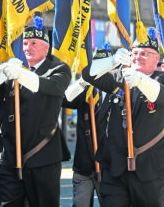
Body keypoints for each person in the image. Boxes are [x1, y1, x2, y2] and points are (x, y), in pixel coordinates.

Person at [0, 16, 71, 207]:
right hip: (10, 156)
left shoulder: (58, 69)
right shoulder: (14, 70)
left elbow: (51, 87)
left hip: (42, 157)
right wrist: (1, 69)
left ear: (46, 46)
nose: (27, 47)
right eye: (25, 43)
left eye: (34, 43)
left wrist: (21, 74)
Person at [80, 28, 164, 207]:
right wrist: (112, 60)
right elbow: (88, 74)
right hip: (115, 165)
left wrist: (140, 80)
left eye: (145, 53)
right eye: (135, 53)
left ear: (157, 59)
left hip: (149, 167)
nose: (138, 56)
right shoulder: (120, 76)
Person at [63, 44, 114, 206]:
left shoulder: (118, 90)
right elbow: (64, 100)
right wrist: (81, 83)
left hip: (109, 167)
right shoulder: (85, 92)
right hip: (84, 165)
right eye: (96, 64)